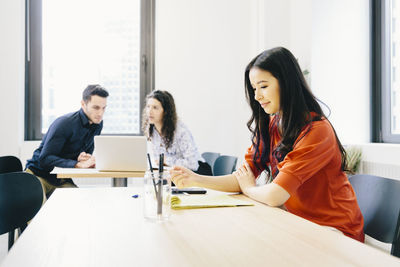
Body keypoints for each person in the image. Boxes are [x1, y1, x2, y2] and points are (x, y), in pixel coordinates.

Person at [170, 47, 364, 242]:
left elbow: (274, 196)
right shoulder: (273, 125)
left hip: (336, 232)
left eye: (263, 86)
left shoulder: (317, 131)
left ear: (286, 83)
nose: (257, 96)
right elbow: (243, 178)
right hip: (299, 223)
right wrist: (195, 179)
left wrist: (249, 189)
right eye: (254, 88)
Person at [26, 84, 109, 198]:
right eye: (96, 107)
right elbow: (45, 159)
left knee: (81, 203)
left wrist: (84, 158)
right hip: (37, 176)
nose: (100, 113)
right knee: (40, 211)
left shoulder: (98, 124)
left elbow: (83, 156)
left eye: (104, 108)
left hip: (60, 179)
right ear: (83, 104)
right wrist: (76, 164)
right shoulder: (65, 123)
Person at [142, 90, 212, 175]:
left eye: (155, 107)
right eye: (148, 107)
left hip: (198, 173)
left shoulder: (180, 131)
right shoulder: (152, 130)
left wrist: (166, 160)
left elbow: (192, 164)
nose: (149, 111)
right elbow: (158, 160)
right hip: (176, 174)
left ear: (165, 111)